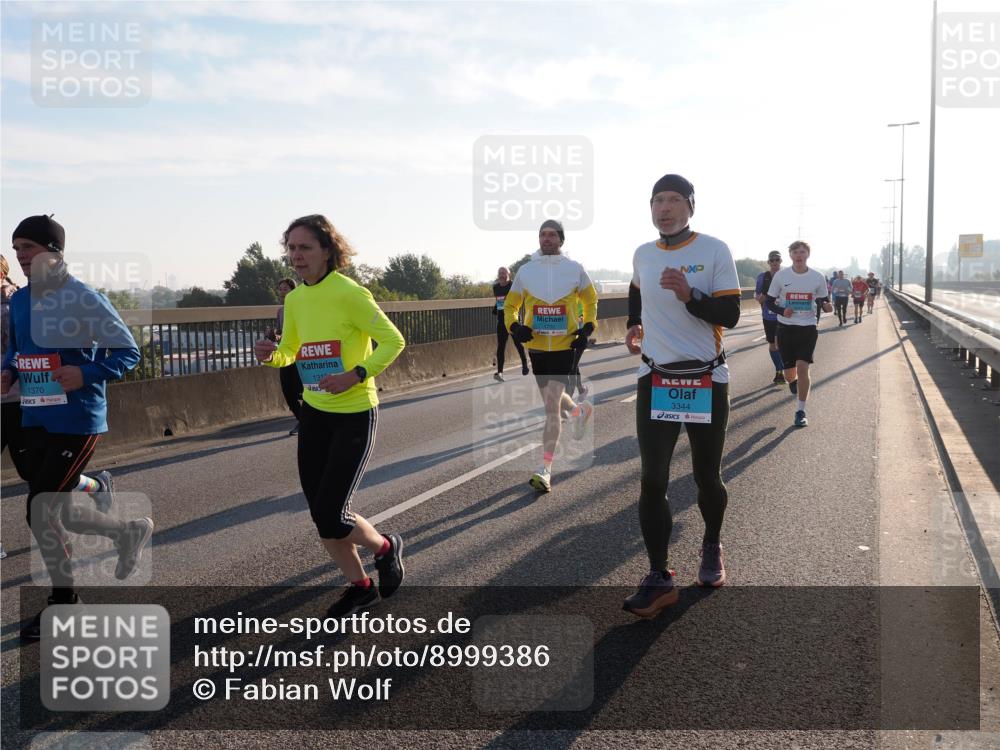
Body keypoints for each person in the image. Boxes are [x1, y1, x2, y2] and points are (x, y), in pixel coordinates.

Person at [1, 216, 151, 640]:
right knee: (57, 505)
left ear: (53, 250)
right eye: (16, 249)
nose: (20, 256)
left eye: (27, 247)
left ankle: (65, 603)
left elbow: (128, 352)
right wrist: (7, 371)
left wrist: (84, 373)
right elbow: (18, 349)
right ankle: (126, 531)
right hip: (34, 415)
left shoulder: (83, 297)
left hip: (77, 420)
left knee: (41, 507)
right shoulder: (22, 300)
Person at [254, 215, 406, 619]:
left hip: (355, 413)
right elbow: (292, 351)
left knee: (331, 511)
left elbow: (394, 341)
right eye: (290, 248)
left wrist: (356, 374)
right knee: (321, 513)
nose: (296, 256)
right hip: (315, 413)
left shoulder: (350, 293)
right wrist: (274, 356)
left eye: (304, 247)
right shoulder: (294, 299)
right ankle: (360, 586)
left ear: (327, 250)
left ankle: (386, 547)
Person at [621, 173, 741, 618]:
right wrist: (635, 323)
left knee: (706, 476)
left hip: (706, 379)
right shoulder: (642, 254)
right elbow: (637, 287)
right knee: (652, 480)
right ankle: (659, 576)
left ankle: (711, 545)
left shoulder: (714, 249)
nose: (664, 208)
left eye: (673, 200)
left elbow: (729, 313)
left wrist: (691, 296)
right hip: (655, 378)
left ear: (690, 207)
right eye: (657, 200)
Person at [504, 219, 597, 493]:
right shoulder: (526, 271)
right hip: (536, 347)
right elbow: (511, 305)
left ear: (561, 240)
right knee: (552, 401)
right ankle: (580, 411)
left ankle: (545, 468)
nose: (546, 239)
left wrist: (589, 325)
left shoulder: (574, 269)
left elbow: (590, 300)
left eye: (552, 235)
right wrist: (515, 327)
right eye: (543, 235)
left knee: (550, 407)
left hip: (564, 346)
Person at [766, 240, 832, 427]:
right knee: (789, 375)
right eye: (795, 252)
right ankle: (792, 381)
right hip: (785, 328)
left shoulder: (817, 277)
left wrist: (827, 306)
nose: (799, 255)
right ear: (791, 256)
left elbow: (823, 300)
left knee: (803, 368)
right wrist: (781, 311)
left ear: (807, 255)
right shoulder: (781, 276)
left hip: (808, 328)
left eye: (802, 252)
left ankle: (800, 411)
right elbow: (770, 302)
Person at [270, 277, 304, 435]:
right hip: (285, 354)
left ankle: (308, 423)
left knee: (302, 391)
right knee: (288, 390)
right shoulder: (280, 312)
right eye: (280, 289)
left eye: (285, 289)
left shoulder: (301, 307)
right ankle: (303, 421)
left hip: (301, 354)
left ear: (293, 290)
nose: (282, 292)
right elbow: (280, 333)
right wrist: (274, 336)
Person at [754, 251, 786, 385]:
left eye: (777, 260)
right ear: (768, 262)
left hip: (784, 315)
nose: (774, 263)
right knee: (773, 345)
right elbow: (757, 296)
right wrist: (763, 297)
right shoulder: (763, 277)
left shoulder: (787, 275)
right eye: (772, 260)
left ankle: (783, 369)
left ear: (780, 261)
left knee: (783, 345)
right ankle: (779, 371)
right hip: (768, 316)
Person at [491, 266, 528, 382]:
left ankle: (525, 364)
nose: (501, 275)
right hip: (501, 321)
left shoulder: (513, 286)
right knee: (501, 347)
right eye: (499, 273)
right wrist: (496, 308)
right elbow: (499, 300)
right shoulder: (495, 287)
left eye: (503, 273)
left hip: (513, 320)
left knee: (518, 343)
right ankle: (500, 372)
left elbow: (520, 299)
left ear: (509, 274)